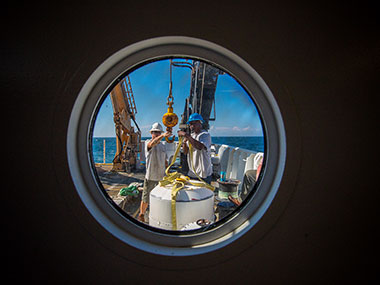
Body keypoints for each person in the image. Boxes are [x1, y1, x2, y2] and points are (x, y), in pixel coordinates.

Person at [138, 122, 171, 222]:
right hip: (151, 176)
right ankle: (141, 215)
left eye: (158, 132)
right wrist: (163, 135)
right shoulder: (148, 143)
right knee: (146, 198)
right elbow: (153, 143)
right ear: (151, 133)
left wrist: (167, 172)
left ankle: (158, 214)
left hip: (161, 177)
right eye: (154, 132)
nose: (156, 134)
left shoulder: (163, 145)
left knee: (160, 197)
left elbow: (165, 160)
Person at [177, 113, 213, 184]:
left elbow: (199, 147)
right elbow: (185, 152)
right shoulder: (191, 136)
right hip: (192, 173)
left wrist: (186, 135)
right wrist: (184, 142)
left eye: (194, 123)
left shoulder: (205, 135)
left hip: (203, 173)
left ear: (200, 123)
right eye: (190, 124)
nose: (191, 126)